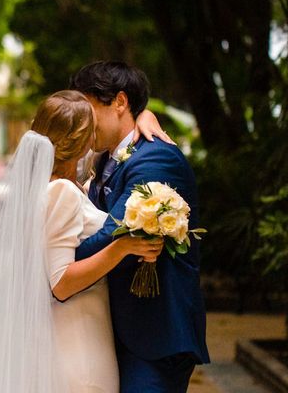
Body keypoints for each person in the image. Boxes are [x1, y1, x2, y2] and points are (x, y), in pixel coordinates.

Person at [0, 90, 166, 393]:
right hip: (77, 346)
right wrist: (123, 246)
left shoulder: (53, 189)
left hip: (67, 339)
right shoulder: (61, 192)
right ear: (84, 141)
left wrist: (143, 115)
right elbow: (60, 282)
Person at [70, 61, 210, 393]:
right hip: (119, 329)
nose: (82, 122)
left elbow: (111, 235)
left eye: (87, 109)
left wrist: (57, 259)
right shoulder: (105, 158)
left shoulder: (155, 159)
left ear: (120, 102)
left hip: (154, 334)